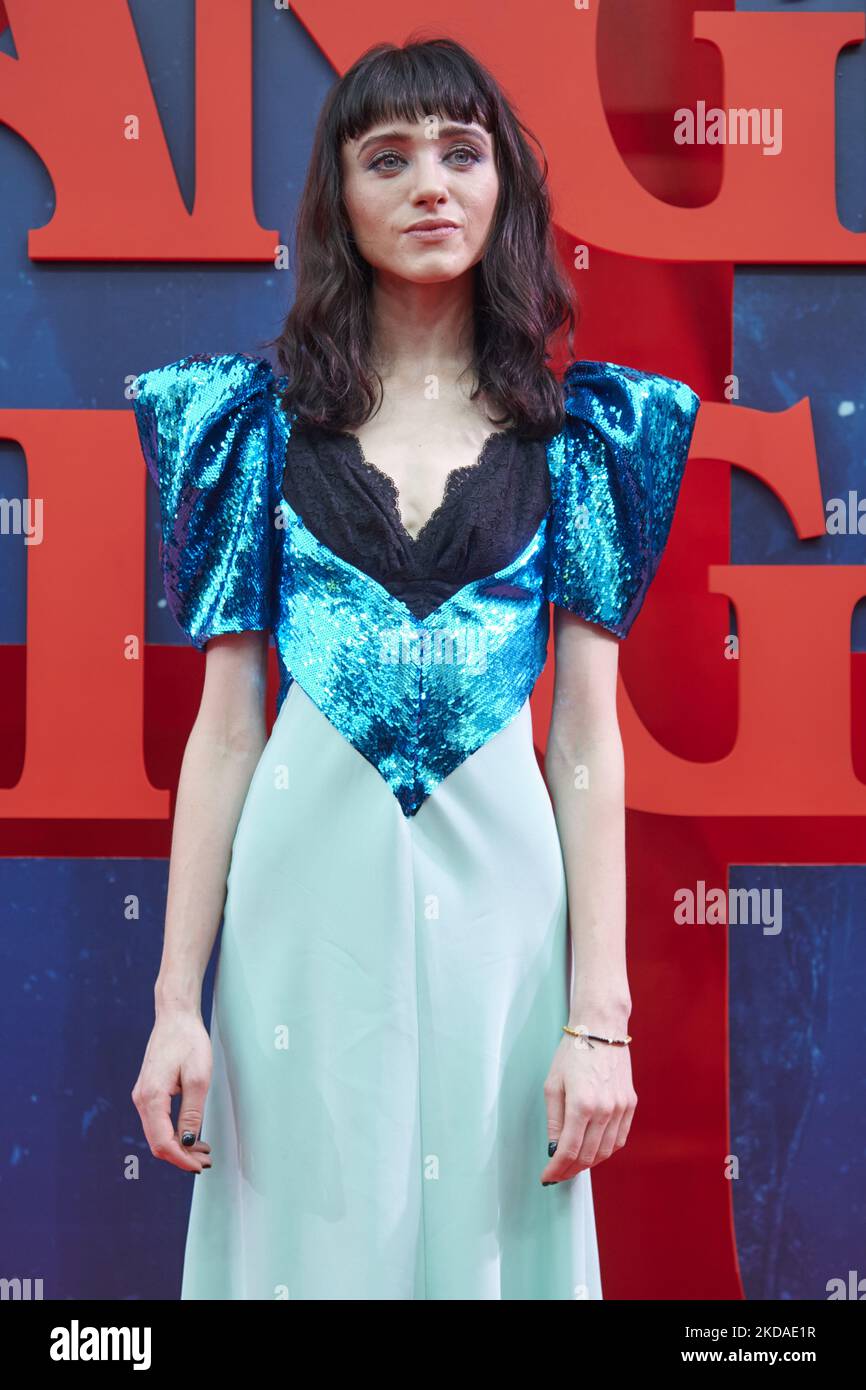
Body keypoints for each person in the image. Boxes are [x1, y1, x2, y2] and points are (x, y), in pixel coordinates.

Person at [131, 36, 700, 1301]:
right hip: (298, 900)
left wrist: (596, 1018)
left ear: (505, 189)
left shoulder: (582, 436)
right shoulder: (246, 428)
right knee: (306, 1241)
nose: (429, 185)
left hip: (509, 913)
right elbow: (225, 734)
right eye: (386, 158)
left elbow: (584, 741)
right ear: (338, 199)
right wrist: (180, 1002)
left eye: (460, 152)